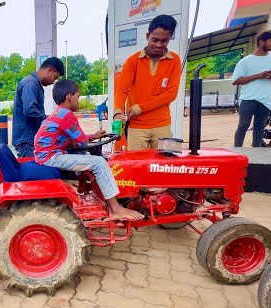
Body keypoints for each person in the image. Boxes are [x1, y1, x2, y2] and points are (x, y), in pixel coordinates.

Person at [34, 79, 143, 221]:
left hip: (47, 154)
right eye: (78, 97)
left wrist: (94, 136)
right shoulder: (67, 115)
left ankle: (87, 190)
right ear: (70, 96)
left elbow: (77, 140)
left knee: (84, 154)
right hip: (51, 157)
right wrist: (90, 139)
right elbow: (82, 142)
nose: (78, 101)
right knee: (98, 162)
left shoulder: (57, 114)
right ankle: (116, 209)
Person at [113, 14, 182, 150]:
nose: (158, 45)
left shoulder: (174, 60)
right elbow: (122, 90)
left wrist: (140, 108)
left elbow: (171, 94)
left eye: (164, 41)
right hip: (136, 127)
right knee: (137, 167)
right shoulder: (133, 61)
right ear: (147, 36)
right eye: (154, 39)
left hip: (162, 125)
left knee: (165, 167)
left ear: (170, 38)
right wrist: (117, 113)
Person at [232, 30, 271, 147]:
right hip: (248, 98)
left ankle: (257, 152)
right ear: (261, 42)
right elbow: (236, 81)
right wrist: (259, 75)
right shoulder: (245, 61)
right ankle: (237, 150)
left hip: (267, 98)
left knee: (260, 126)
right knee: (243, 125)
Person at [12, 56, 65, 158]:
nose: (53, 82)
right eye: (55, 77)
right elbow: (29, 110)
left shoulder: (34, 83)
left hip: (30, 139)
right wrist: (48, 121)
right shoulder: (30, 83)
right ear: (49, 71)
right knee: (34, 172)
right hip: (27, 141)